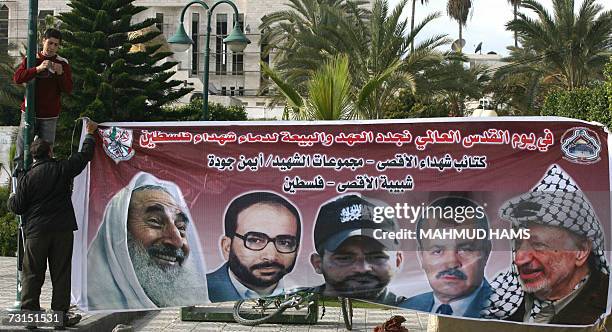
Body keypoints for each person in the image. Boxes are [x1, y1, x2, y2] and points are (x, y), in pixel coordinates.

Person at [482, 164, 609, 325]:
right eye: (518, 243)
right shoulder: (497, 301)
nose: (519, 259)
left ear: (581, 250)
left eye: (538, 245)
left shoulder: (606, 306)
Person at [7, 120, 97, 329]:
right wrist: (90, 135)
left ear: (34, 156)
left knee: (32, 273)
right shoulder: (62, 168)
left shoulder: (27, 178)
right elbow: (83, 157)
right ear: (50, 152)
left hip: (36, 233)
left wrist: (12, 198)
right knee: (61, 273)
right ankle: (59, 316)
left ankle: (30, 315)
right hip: (62, 230)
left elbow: (18, 207)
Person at [87, 172, 208, 310]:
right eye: (155, 221)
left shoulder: (194, 300)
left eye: (181, 227)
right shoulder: (91, 301)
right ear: (119, 232)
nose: (177, 241)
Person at [402, 196, 492, 317]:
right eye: (437, 251)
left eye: (465, 249)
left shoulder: (511, 312)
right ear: (421, 256)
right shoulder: (405, 310)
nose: (451, 262)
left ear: (486, 252)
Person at [310, 194, 406, 306]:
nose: (362, 269)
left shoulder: (417, 311)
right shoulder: (290, 306)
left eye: (377, 256)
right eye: (344, 258)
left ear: (398, 261)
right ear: (318, 263)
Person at [207, 191, 301, 302]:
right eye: (255, 240)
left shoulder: (304, 292)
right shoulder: (200, 290)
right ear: (227, 247)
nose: (271, 256)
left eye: (285, 243)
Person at [13, 28, 73, 173]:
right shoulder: (32, 58)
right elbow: (17, 78)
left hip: (49, 116)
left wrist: (60, 74)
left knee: (46, 153)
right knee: (22, 151)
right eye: (49, 43)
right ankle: (18, 185)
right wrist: (38, 69)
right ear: (43, 41)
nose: (52, 47)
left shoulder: (62, 63)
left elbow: (68, 89)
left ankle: (42, 182)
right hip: (29, 113)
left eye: (56, 45)